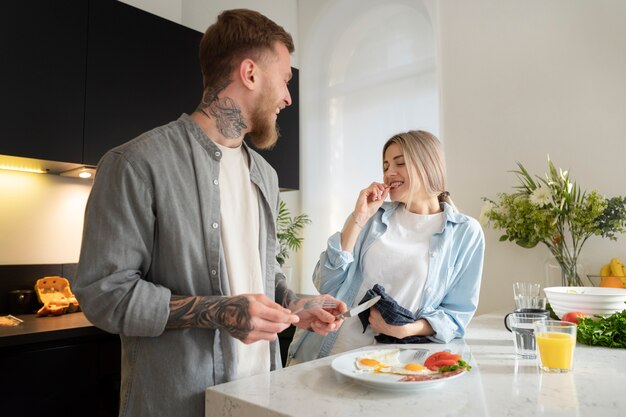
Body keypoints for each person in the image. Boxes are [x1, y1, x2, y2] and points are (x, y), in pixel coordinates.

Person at [73, 9, 346, 417]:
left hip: (259, 397)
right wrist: (218, 311)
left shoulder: (265, 175)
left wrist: (294, 304)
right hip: (177, 403)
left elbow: (260, 276)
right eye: (286, 79)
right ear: (250, 73)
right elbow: (103, 295)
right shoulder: (136, 164)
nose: (289, 97)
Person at [287, 130, 485, 365]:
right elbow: (326, 284)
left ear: (428, 165)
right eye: (385, 166)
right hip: (330, 353)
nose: (390, 173)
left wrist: (408, 329)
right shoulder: (374, 218)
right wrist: (358, 219)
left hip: (393, 364)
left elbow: (457, 314)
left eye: (400, 163)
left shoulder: (465, 232)